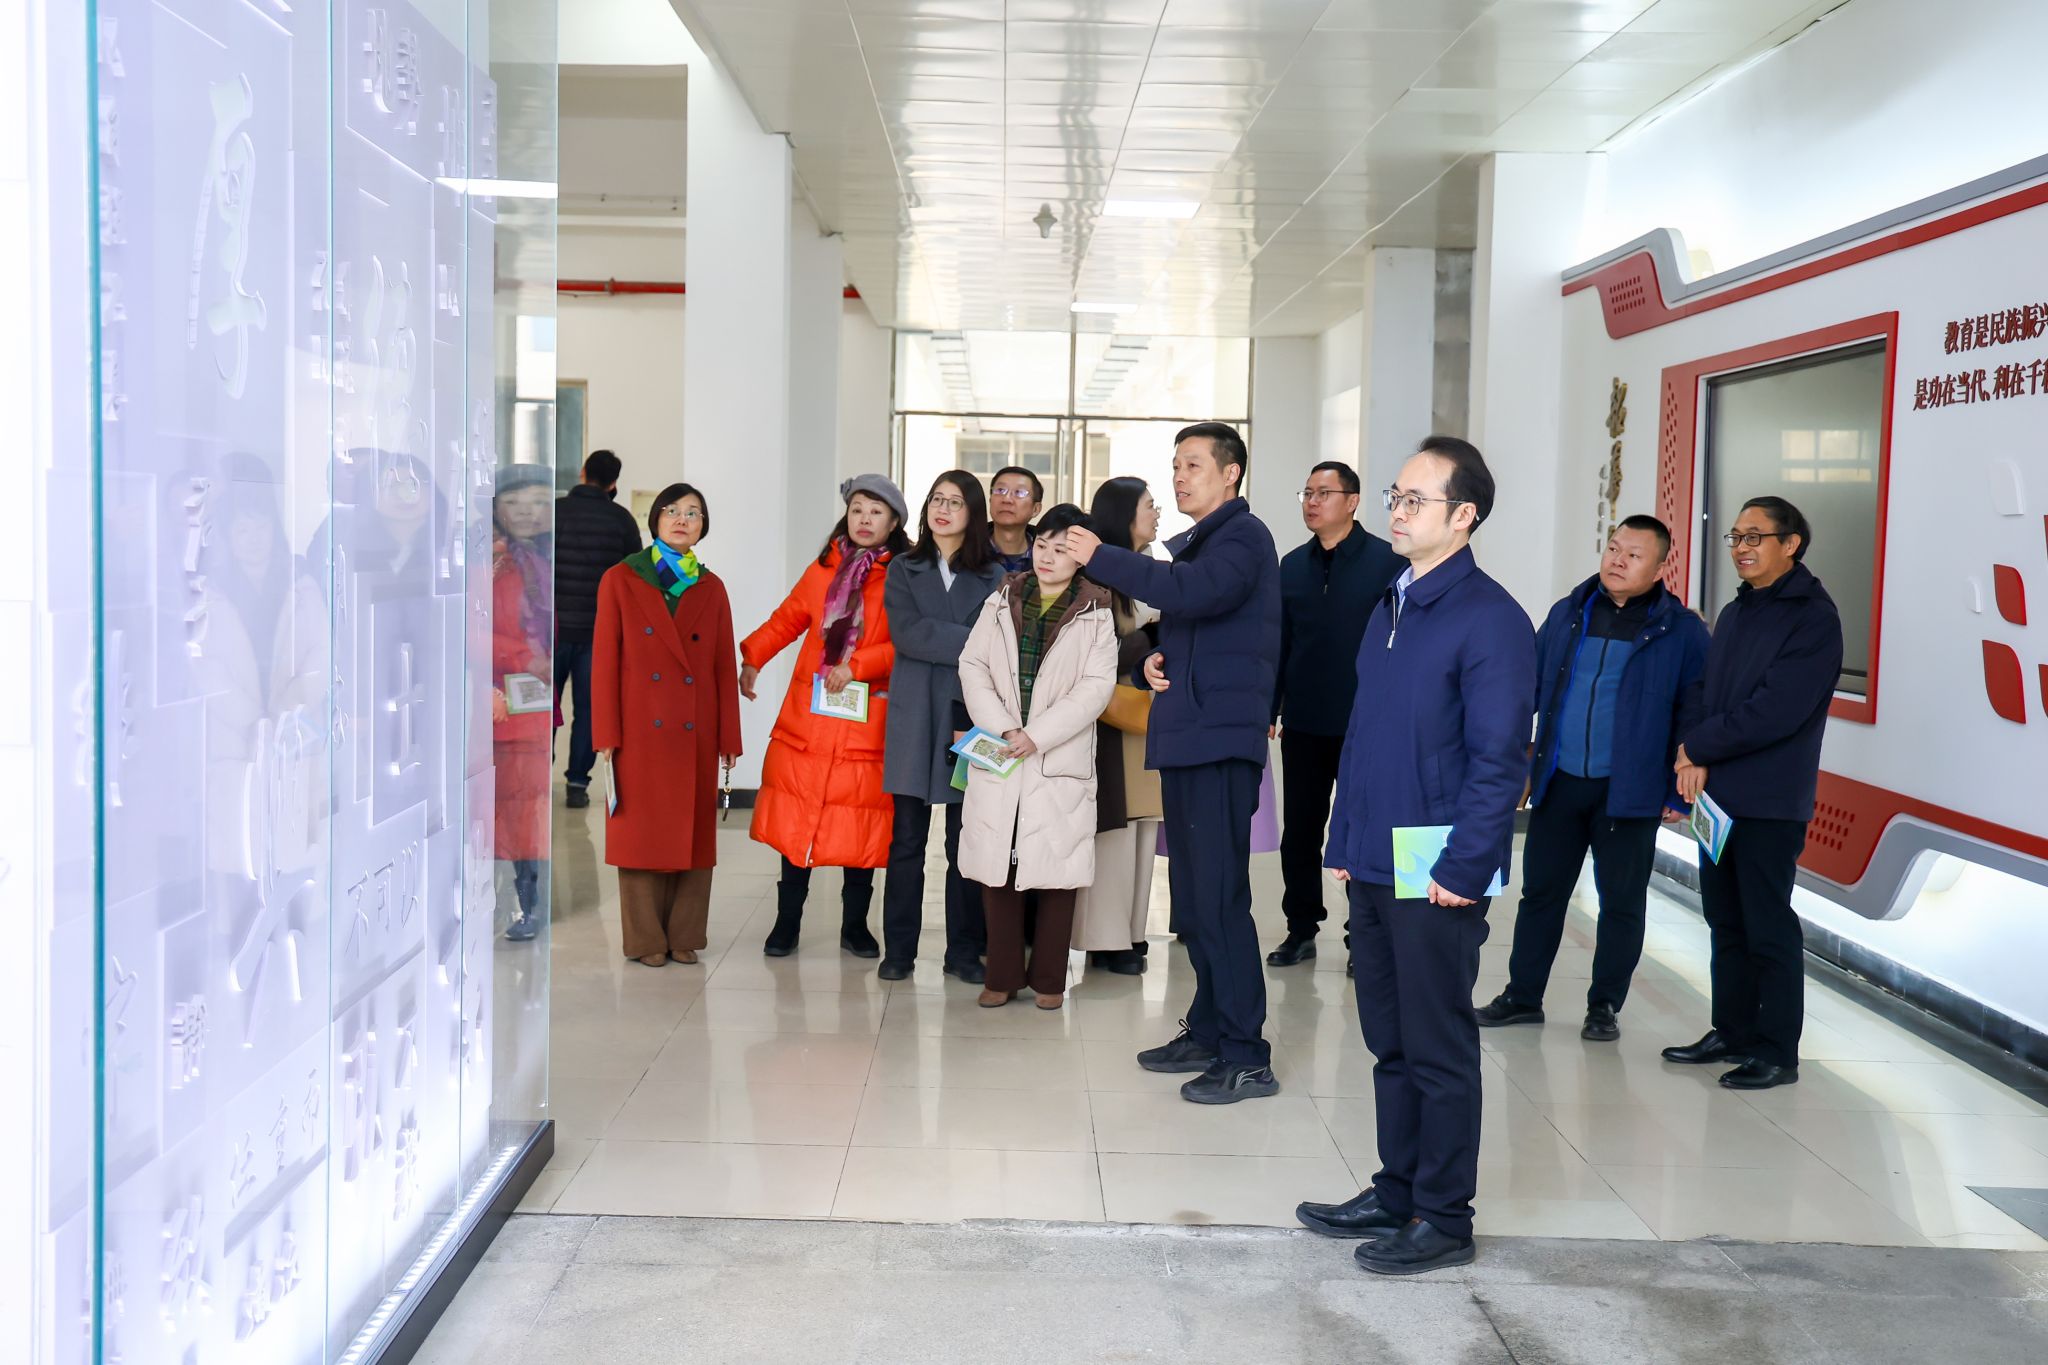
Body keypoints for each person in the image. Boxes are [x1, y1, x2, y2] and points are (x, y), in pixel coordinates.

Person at [1296, 436, 1535, 1276]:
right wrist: (1344, 838)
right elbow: (1365, 736)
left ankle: (1443, 1215)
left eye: (1414, 500)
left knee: (1437, 1044)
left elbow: (1500, 759)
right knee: (1388, 1037)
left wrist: (1463, 868)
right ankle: (1397, 1188)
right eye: (1394, 497)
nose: (1397, 513)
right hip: (1375, 855)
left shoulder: (1492, 619)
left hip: (1437, 865)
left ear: (1463, 515)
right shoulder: (1391, 605)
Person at [1064, 422, 1283, 1105]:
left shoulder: (1244, 538)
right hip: (1191, 737)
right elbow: (1190, 623)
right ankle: (1210, 1029)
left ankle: (1246, 1055)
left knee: (1218, 900)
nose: (1180, 477)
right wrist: (1154, 660)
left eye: (1193, 465)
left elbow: (1191, 593)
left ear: (1231, 473)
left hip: (1218, 742)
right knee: (1195, 900)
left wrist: (1101, 555)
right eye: (1176, 465)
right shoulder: (1211, 543)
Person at [1476, 515, 1709, 1039]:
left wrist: (1678, 791)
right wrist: (1520, 762)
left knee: (1620, 903)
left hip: (1629, 790)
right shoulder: (1569, 613)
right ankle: (1522, 996)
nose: (1618, 560)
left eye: (1634, 555)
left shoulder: (1683, 632)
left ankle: (1604, 1006)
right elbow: (1529, 688)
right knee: (1541, 895)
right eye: (1613, 548)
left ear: (1660, 567)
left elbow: (1694, 711)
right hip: (1560, 781)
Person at [1663, 496, 1842, 1091]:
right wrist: (1692, 750)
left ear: (1791, 544)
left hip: (1769, 798)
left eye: (1754, 537)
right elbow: (1706, 690)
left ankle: (1777, 1050)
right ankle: (1733, 1030)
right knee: (1724, 919)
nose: (1741, 547)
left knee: (1767, 925)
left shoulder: (1813, 618)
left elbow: (1776, 711)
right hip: (1718, 797)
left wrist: (1699, 747)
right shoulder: (1738, 610)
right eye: (1736, 537)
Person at [956, 505, 1118, 1010]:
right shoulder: (1003, 597)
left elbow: (1096, 689)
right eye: (1041, 546)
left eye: (1061, 549)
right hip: (1001, 744)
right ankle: (1001, 975)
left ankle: (1049, 980)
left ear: (1081, 556)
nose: (1047, 557)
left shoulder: (1096, 611)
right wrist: (1005, 727)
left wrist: (1037, 735)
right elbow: (972, 664)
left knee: (1058, 869)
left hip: (1057, 756)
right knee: (997, 865)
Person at [741, 475, 909, 958]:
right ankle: (786, 923)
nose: (864, 519)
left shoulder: (903, 576)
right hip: (810, 721)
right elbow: (788, 618)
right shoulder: (824, 569)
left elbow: (907, 644)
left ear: (893, 523)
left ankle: (854, 926)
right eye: (857, 509)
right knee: (799, 824)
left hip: (866, 721)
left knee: (860, 826)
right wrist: (753, 658)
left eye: (876, 512)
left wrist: (859, 664)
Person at [590, 483, 742, 966]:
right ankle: (645, 939)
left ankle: (684, 936)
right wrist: (606, 733)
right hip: (638, 729)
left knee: (693, 836)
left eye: (693, 513)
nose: (682, 519)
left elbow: (722, 666)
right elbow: (604, 661)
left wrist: (729, 734)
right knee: (640, 834)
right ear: (655, 519)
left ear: (703, 526)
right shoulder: (620, 578)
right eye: (672, 511)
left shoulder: (711, 587)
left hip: (695, 729)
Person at [1268, 460, 1403, 968]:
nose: (1312, 502)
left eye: (1323, 493)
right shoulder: (1291, 566)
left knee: (1360, 829)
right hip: (1304, 720)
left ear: (1352, 501)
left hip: (1365, 722)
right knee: (1300, 831)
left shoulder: (1387, 563)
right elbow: (1279, 643)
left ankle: (1360, 936)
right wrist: (1271, 706)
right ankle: (1300, 928)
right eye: (1307, 493)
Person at [878, 471, 1005, 983]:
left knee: (963, 841)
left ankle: (963, 952)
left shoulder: (994, 576)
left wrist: (953, 641)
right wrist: (967, 641)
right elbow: (907, 634)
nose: (943, 509)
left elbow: (993, 646)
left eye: (955, 502)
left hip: (966, 716)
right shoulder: (903, 567)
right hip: (913, 715)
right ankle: (898, 951)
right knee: (907, 839)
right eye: (936, 499)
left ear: (973, 513)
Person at [1071, 476, 1164, 976]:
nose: (1156, 513)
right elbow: (1094, 649)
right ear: (1123, 514)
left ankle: (1131, 931)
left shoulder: (1148, 571)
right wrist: (1150, 635)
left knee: (1142, 831)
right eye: (1149, 505)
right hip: (1108, 722)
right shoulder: (1097, 575)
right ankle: (1104, 938)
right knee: (1112, 831)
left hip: (1143, 721)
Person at [490, 464, 557, 942]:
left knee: (530, 806)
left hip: (536, 702)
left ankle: (530, 902)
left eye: (538, 502)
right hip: (496, 701)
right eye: (514, 502)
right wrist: (524, 657)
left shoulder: (546, 557)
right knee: (502, 807)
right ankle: (507, 903)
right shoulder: (490, 560)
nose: (527, 512)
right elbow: (469, 627)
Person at [555, 450, 644, 808]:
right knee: (589, 710)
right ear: (613, 483)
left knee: (544, 706)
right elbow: (634, 577)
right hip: (597, 633)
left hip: (552, 629)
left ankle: (538, 773)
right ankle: (577, 783)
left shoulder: (556, 512)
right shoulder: (621, 520)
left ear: (582, 473)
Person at [988, 465, 1043, 572]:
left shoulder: (1048, 557)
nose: (1007, 499)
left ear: (1036, 509)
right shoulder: (968, 551)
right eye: (1000, 490)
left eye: (1019, 492)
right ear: (990, 501)